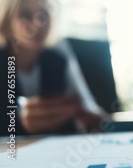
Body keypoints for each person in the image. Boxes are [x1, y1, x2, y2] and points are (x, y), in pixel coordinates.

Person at [0, 0, 105, 136]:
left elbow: (90, 109)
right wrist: (18, 120)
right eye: (25, 15)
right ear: (8, 21)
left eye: (43, 15)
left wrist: (85, 116)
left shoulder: (58, 58)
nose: (38, 23)